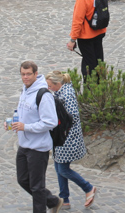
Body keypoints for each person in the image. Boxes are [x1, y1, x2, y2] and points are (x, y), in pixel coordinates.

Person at [12, 61, 61, 212]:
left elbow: (50, 122)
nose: (25, 77)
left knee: (37, 186)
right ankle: (53, 201)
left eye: (28, 74)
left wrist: (25, 127)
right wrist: (15, 122)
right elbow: (24, 112)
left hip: (38, 148)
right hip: (24, 145)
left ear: (35, 74)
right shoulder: (25, 90)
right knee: (23, 180)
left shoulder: (43, 95)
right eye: (23, 74)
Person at [46, 71, 97, 210]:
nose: (49, 88)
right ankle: (65, 199)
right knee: (58, 167)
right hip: (61, 136)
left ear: (58, 84)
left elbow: (72, 116)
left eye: (50, 86)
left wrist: (56, 121)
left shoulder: (66, 95)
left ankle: (88, 188)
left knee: (63, 169)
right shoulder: (60, 92)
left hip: (67, 137)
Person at [68, 0, 107, 82]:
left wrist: (72, 40)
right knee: (99, 60)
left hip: (86, 36)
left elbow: (77, 21)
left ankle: (90, 89)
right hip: (99, 32)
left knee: (88, 64)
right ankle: (100, 86)